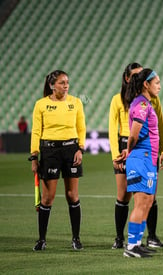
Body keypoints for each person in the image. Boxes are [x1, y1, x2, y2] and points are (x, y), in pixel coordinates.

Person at [109, 63, 163, 250]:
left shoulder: (148, 102)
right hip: (139, 154)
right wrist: (125, 151)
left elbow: (156, 128)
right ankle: (130, 244)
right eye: (156, 82)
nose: (159, 86)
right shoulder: (141, 104)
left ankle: (139, 242)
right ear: (144, 84)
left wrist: (162, 150)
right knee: (138, 201)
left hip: (146, 155)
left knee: (147, 200)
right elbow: (132, 134)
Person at [29, 70, 86, 251]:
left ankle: (76, 239)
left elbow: (81, 127)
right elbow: (36, 131)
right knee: (47, 198)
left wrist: (80, 149)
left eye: (67, 82)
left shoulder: (76, 102)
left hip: (71, 150)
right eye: (62, 83)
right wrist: (34, 156)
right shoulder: (41, 104)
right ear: (52, 85)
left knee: (72, 195)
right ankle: (41, 239)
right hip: (49, 151)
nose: (66, 85)